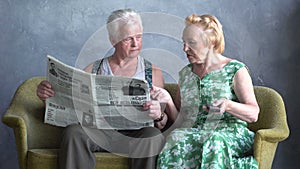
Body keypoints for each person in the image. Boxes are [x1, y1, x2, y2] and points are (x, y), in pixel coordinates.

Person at [36, 9, 169, 169]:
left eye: (139, 37)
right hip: (99, 133)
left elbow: (163, 123)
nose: (136, 44)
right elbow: (72, 109)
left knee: (153, 135)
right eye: (128, 39)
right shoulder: (93, 69)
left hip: (135, 135)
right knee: (74, 132)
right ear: (113, 40)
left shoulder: (153, 73)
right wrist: (48, 97)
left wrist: (159, 115)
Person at [156, 14, 260, 168]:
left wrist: (228, 105)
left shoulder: (235, 70)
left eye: (191, 43)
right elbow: (182, 122)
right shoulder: (186, 74)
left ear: (210, 43)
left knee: (213, 140)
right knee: (176, 137)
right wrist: (168, 101)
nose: (185, 49)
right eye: (184, 43)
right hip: (195, 132)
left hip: (230, 134)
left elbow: (253, 114)